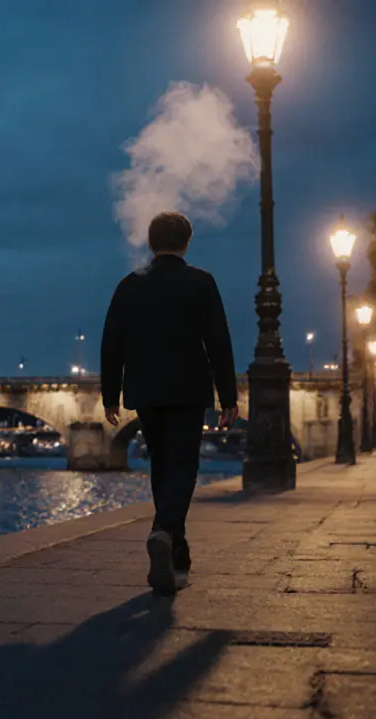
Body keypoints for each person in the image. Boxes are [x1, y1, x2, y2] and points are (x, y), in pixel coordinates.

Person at [100, 212, 238, 595]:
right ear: (187, 243)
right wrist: (228, 395)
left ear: (150, 242)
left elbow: (112, 342)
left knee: (161, 464)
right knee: (184, 465)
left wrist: (110, 394)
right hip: (188, 386)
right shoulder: (201, 282)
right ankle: (164, 533)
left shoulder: (130, 284)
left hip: (145, 388)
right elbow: (218, 341)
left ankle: (176, 550)